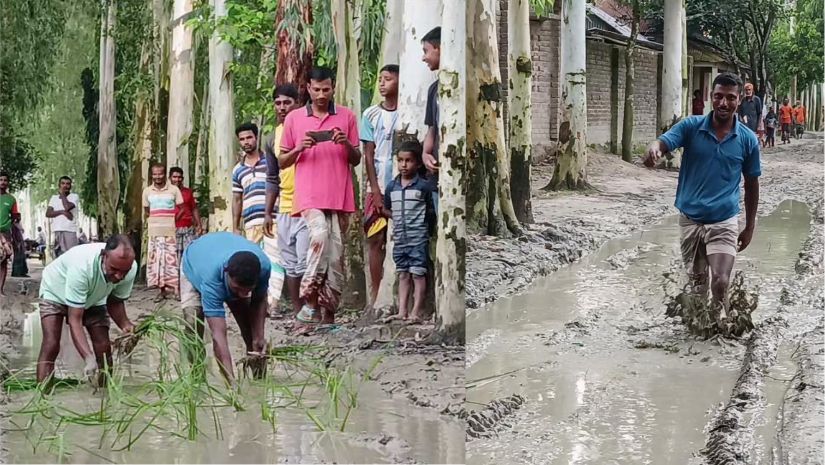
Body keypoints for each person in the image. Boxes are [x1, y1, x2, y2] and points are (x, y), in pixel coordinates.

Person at [644, 72, 760, 334]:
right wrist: (655, 149)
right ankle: (698, 329)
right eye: (718, 96)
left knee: (720, 280)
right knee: (697, 288)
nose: (723, 103)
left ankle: (720, 326)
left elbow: (752, 184)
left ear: (738, 100)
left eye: (730, 98)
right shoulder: (691, 126)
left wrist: (750, 225)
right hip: (691, 220)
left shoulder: (748, 140)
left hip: (724, 220)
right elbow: (665, 141)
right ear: (711, 97)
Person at [279, 66, 361, 329]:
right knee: (319, 236)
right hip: (309, 195)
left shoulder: (346, 116)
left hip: (339, 194)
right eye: (317, 89)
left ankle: (328, 314)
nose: (322, 94)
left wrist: (345, 142)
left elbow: (356, 158)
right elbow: (281, 161)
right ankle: (310, 298)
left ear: (333, 87)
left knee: (335, 253)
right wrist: (299, 148)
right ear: (309, 89)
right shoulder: (293, 119)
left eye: (326, 89)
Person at [36, 235, 138, 384]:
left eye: (124, 271)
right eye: (114, 269)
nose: (119, 276)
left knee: (103, 347)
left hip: (93, 297)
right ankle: (42, 394)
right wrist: (88, 357)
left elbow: (115, 301)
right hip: (55, 292)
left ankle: (105, 393)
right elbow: (74, 318)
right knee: (51, 343)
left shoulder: (130, 268)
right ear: (104, 256)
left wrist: (125, 325)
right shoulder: (82, 266)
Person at [180, 232, 271, 384]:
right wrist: (231, 385)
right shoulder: (211, 279)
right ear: (227, 274)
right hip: (194, 264)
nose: (243, 295)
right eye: (237, 289)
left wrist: (259, 336)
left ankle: (260, 380)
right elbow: (219, 336)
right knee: (193, 322)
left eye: (247, 290)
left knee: (251, 332)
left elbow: (259, 300)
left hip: (224, 254)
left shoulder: (264, 267)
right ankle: (197, 379)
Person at [263, 84, 308, 316]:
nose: (282, 107)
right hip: (285, 207)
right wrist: (268, 212)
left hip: (308, 206)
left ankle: (314, 309)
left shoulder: (308, 129)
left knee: (307, 261)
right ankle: (299, 311)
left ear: (297, 103)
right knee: (289, 264)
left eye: (287, 102)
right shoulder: (271, 138)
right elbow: (272, 177)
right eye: (278, 103)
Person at [234, 122, 284, 313]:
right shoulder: (237, 170)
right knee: (255, 263)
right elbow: (237, 199)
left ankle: (273, 303)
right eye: (242, 139)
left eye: (249, 137)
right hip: (250, 222)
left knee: (275, 260)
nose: (246, 142)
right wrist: (236, 226)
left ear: (256, 137)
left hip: (273, 218)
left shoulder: (270, 162)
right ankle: (259, 302)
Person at [383, 141, 435, 322]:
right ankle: (402, 311)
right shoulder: (392, 187)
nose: (403, 165)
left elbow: (430, 211)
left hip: (418, 239)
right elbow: (386, 209)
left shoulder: (423, 186)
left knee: (418, 273)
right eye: (400, 160)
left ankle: (416, 312)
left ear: (418, 163)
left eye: (409, 161)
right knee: (403, 273)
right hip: (400, 239)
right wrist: (398, 219)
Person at [361, 64, 400, 305]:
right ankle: (376, 295)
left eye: (388, 79)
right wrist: (374, 189)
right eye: (380, 79)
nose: (382, 83)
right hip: (375, 185)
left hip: (402, 184)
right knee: (375, 239)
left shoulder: (408, 111)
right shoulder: (370, 115)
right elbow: (368, 153)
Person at [143, 163, 184, 301]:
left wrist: (172, 219)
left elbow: (182, 208)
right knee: (157, 261)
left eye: (160, 173)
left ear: (165, 174)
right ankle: (162, 291)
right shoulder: (147, 191)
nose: (157, 177)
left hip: (170, 232)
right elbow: (146, 210)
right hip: (154, 231)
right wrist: (155, 219)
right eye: (154, 174)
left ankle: (176, 291)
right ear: (151, 175)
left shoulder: (173, 190)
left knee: (171, 261)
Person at [169, 167, 202, 259]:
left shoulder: (188, 192)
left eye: (179, 177)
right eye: (174, 177)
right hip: (173, 228)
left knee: (190, 253)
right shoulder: (166, 192)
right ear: (169, 178)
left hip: (188, 227)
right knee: (174, 255)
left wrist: (199, 224)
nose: (177, 179)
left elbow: (194, 208)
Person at [421, 27, 441, 178]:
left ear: (438, 48)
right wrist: (426, 153)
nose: (423, 57)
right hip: (437, 171)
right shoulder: (433, 89)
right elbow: (432, 127)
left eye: (425, 51)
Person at [45, 176, 80, 257]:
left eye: (67, 184)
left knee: (71, 256)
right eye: (63, 183)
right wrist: (62, 212)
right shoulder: (54, 198)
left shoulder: (74, 196)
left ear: (71, 186)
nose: (65, 186)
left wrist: (63, 195)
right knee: (58, 256)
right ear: (59, 185)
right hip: (57, 229)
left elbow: (67, 207)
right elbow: (48, 213)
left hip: (69, 230)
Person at [0, 171, 19, 297]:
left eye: (5, 180)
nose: (3, 182)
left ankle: (0, 290)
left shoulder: (11, 199)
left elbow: (15, 216)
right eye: (0, 180)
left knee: (3, 261)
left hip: (5, 233)